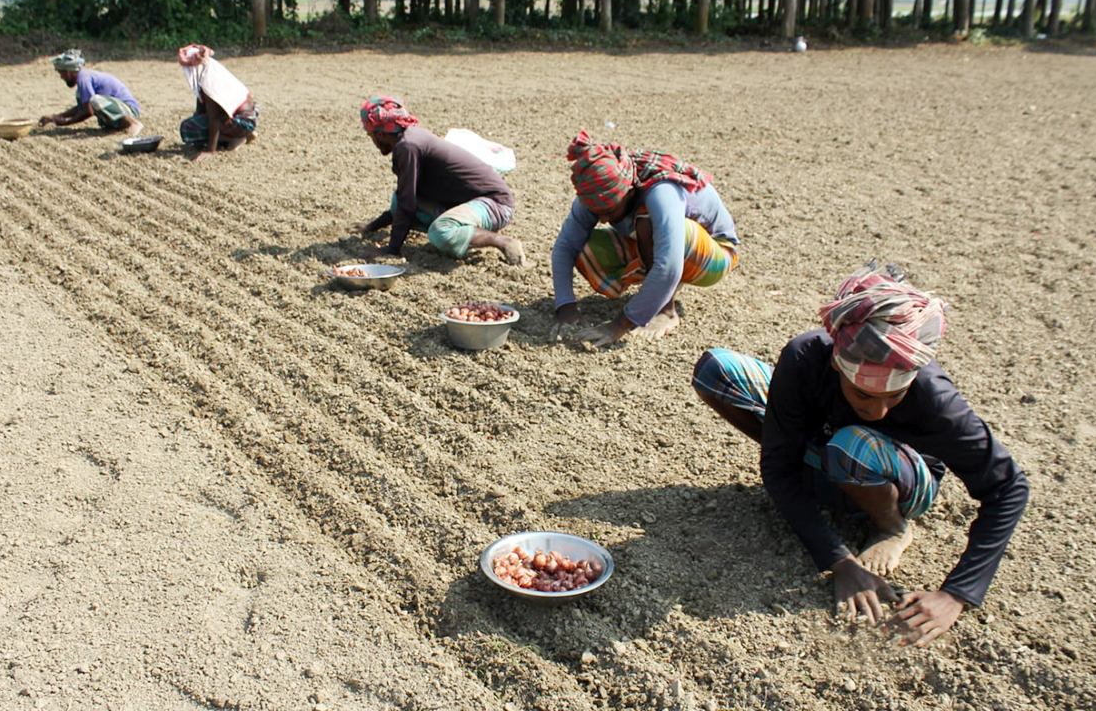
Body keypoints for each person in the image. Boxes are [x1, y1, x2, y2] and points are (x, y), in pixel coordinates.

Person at [691, 262, 1029, 647]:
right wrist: (840, 561)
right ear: (838, 366)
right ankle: (820, 474)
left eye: (895, 396)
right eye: (863, 394)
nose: (879, 411)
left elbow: (1008, 488)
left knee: (852, 446)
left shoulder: (936, 401)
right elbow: (776, 466)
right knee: (716, 370)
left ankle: (891, 525)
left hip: (897, 476)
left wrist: (956, 594)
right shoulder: (807, 357)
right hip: (829, 445)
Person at [551, 129, 739, 348]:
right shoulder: (597, 193)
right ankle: (655, 294)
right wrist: (565, 308)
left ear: (630, 193)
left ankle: (666, 310)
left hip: (714, 254)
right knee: (583, 245)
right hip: (665, 248)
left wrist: (619, 325)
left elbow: (668, 267)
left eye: (609, 212)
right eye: (597, 212)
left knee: (646, 222)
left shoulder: (662, 192)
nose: (602, 219)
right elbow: (565, 247)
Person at [352, 96, 523, 265]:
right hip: (465, 202)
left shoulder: (408, 147)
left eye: (370, 136)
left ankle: (503, 242)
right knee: (398, 201)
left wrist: (392, 250)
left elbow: (407, 203)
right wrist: (372, 226)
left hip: (495, 204)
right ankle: (468, 230)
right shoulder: (410, 139)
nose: (373, 141)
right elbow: (404, 200)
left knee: (441, 231)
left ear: (380, 134)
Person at [177, 44, 258, 162]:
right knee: (193, 124)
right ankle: (239, 134)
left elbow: (213, 117)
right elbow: (201, 109)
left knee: (188, 129)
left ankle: (235, 137)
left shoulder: (208, 81)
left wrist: (210, 150)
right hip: (245, 117)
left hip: (243, 120)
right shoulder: (209, 71)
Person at [37, 49, 143, 136]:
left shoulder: (84, 78)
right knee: (88, 99)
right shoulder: (83, 82)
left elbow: (88, 111)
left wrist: (66, 122)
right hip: (118, 112)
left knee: (94, 100)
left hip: (129, 110)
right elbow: (81, 107)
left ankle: (133, 123)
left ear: (68, 72)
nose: (62, 77)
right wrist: (55, 117)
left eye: (62, 74)